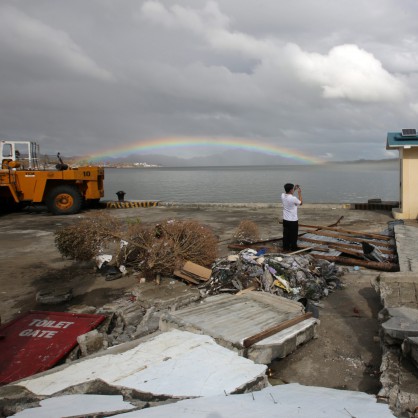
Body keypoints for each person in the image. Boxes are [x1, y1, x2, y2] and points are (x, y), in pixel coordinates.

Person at [281, 183, 303, 251]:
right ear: (291, 190)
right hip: (293, 220)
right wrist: (299, 193)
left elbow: (289, 196)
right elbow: (301, 203)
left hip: (285, 219)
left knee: (286, 234)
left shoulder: (282, 195)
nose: (293, 189)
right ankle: (293, 248)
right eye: (293, 189)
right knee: (293, 235)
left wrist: (294, 189)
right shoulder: (293, 198)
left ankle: (285, 247)